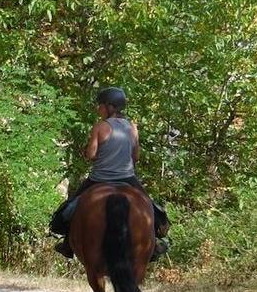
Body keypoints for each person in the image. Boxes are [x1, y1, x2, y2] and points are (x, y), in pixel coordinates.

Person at [50, 86, 169, 260]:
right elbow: (135, 157)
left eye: (100, 105)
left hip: (99, 179)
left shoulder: (100, 127)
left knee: (70, 208)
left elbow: (91, 155)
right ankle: (155, 242)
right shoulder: (132, 128)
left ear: (109, 106)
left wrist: (89, 151)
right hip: (128, 178)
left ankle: (67, 243)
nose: (98, 109)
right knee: (151, 208)